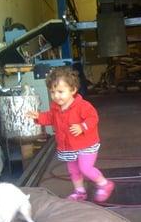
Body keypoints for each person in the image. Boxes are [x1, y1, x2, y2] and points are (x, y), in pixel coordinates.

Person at [26, 67, 115, 202]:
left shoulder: (82, 106)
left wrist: (82, 126)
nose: (56, 96)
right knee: (74, 171)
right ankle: (80, 192)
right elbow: (50, 118)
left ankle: (104, 184)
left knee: (85, 168)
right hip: (68, 146)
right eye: (52, 92)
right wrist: (38, 116)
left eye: (60, 92)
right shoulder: (55, 108)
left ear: (73, 90)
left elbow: (93, 118)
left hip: (86, 144)